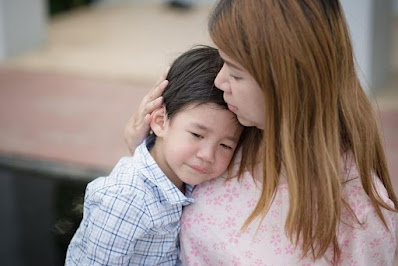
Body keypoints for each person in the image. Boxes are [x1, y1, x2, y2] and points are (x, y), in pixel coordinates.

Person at [125, 0, 398, 265]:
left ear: (286, 83)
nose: (220, 82)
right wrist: (148, 155)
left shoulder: (357, 214)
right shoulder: (232, 133)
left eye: (236, 73)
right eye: (222, 63)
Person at [65, 46, 246, 265]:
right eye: (197, 134)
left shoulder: (184, 181)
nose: (208, 155)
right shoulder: (126, 200)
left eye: (225, 145)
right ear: (160, 122)